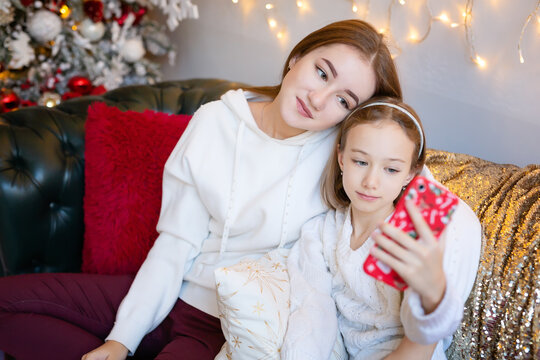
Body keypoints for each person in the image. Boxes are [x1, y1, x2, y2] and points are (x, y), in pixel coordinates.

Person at [0, 20, 402, 360]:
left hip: (230, 326)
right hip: (170, 290)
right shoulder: (215, 121)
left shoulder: (344, 158)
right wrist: (121, 340)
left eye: (343, 100)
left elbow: (410, 173)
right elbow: (176, 242)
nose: (318, 99)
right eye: (321, 71)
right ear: (298, 57)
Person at [281, 98, 482, 360]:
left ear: (410, 174)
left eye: (391, 169)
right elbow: (311, 312)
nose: (371, 182)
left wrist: (434, 295)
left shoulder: (409, 238)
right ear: (341, 158)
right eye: (360, 162)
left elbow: (426, 332)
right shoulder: (320, 232)